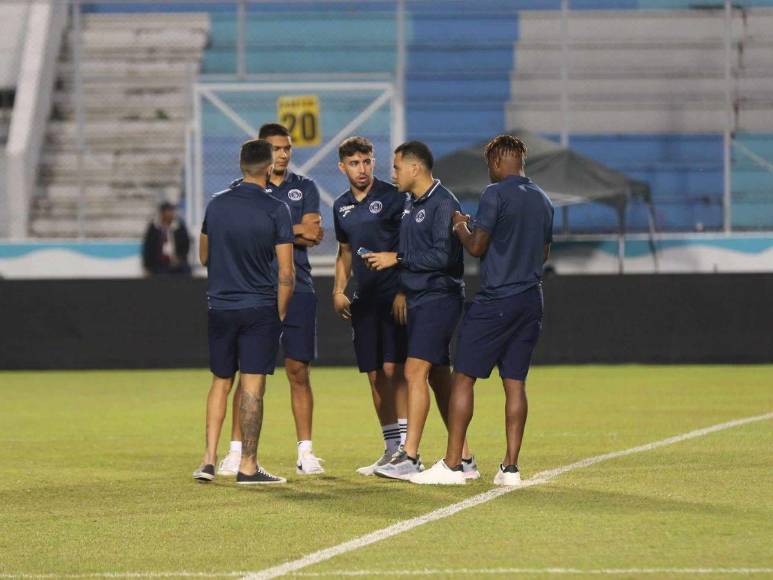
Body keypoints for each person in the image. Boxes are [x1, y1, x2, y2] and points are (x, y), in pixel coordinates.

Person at [412, 134, 554, 486]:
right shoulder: (543, 199)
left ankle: (452, 465)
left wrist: (460, 224)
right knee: (515, 383)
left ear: (495, 162)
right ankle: (510, 468)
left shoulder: (495, 194)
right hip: (531, 299)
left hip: (496, 300)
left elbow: (476, 245)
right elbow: (544, 253)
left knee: (463, 377)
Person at [363, 141, 477, 481]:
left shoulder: (444, 203)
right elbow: (415, 250)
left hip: (439, 298)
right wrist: (401, 287)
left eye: (397, 167)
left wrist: (395, 259)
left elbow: (442, 257)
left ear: (415, 168)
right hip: (418, 298)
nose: (393, 173)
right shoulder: (412, 204)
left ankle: (410, 456)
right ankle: (465, 458)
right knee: (439, 378)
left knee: (414, 373)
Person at [218, 123, 326, 477]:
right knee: (246, 373)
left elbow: (312, 235)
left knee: (298, 370)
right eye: (277, 148)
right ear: (263, 152)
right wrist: (286, 230)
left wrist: (266, 229)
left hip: (300, 288)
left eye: (287, 148)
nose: (283, 154)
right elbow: (300, 232)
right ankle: (236, 452)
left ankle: (305, 451)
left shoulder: (304, 187)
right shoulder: (239, 190)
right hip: (255, 289)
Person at [192, 138, 295, 485]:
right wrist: (279, 315)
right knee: (252, 385)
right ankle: (247, 466)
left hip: (220, 305)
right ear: (269, 168)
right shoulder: (277, 208)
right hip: (258, 307)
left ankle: (207, 460)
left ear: (240, 164)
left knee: (221, 381)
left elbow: (203, 257)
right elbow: (286, 272)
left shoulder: (216, 205)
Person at [332, 136, 409, 475]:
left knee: (396, 371)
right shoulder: (341, 207)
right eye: (354, 163)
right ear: (342, 167)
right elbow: (345, 251)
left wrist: (406, 289)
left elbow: (408, 245)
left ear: (373, 162)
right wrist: (338, 289)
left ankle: (408, 450)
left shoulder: (393, 198)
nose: (361, 169)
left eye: (366, 161)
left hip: (393, 296)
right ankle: (390, 448)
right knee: (375, 374)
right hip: (364, 301)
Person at [141, 201, 191, 276]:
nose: (171, 213)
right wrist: (147, 267)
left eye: (172, 211)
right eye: (168, 211)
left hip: (177, 264)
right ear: (162, 213)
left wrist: (180, 258)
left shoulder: (179, 227)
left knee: (186, 271)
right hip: (159, 265)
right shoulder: (154, 228)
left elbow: (186, 245)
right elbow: (148, 248)